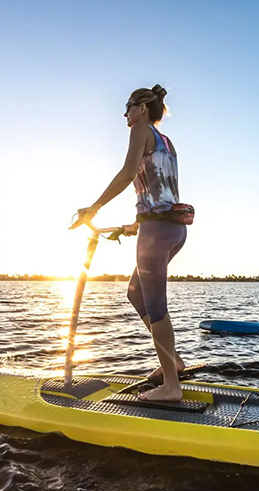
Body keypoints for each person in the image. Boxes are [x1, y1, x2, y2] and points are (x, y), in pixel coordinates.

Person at [72, 84, 187, 401]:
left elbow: (126, 173)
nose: (124, 113)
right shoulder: (167, 142)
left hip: (157, 232)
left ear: (141, 109)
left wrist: (93, 208)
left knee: (155, 306)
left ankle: (171, 387)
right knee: (135, 292)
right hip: (172, 230)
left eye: (127, 106)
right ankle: (172, 363)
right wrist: (131, 226)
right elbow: (160, 190)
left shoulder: (140, 130)